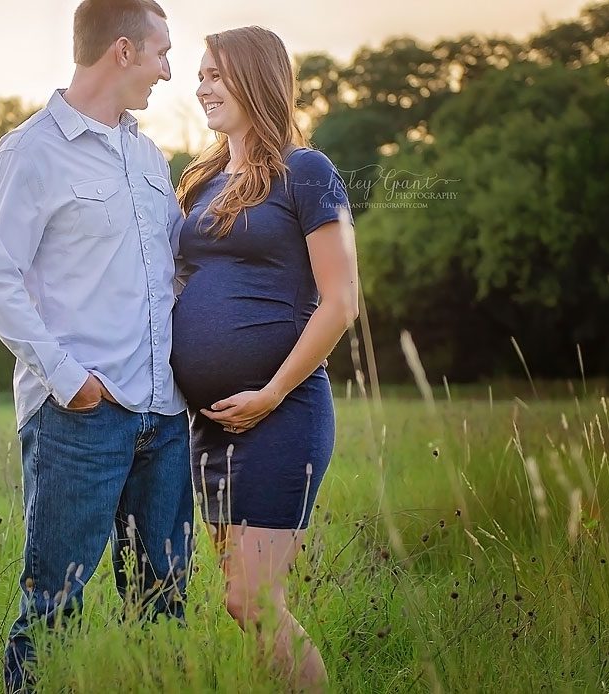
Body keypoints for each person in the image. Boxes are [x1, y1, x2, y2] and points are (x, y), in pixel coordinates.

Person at [0, 0, 192, 690]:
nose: (166, 69)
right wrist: (71, 380)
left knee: (163, 608)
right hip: (81, 416)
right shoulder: (31, 151)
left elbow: (179, 269)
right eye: (160, 52)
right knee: (53, 608)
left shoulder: (148, 155)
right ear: (122, 51)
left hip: (166, 412)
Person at [170, 26, 359, 691]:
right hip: (209, 423)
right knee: (243, 605)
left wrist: (272, 393)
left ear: (256, 78)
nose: (201, 87)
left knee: (252, 601)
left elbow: (340, 301)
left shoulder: (307, 172)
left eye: (216, 74)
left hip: (280, 414)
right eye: (199, 74)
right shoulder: (199, 181)